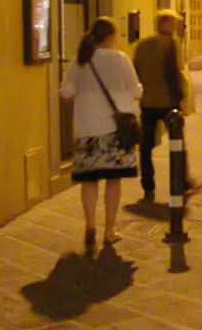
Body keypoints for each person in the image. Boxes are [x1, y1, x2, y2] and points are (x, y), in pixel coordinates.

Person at [60, 16, 143, 247]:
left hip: (87, 128)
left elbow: (66, 92)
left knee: (89, 181)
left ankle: (89, 226)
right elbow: (136, 90)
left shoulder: (80, 60)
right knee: (113, 181)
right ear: (111, 36)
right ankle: (109, 229)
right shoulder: (121, 59)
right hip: (115, 130)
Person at [132, 10, 187, 203]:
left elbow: (135, 71)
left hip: (147, 101)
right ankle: (181, 181)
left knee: (145, 147)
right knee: (178, 143)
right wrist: (180, 99)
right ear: (167, 24)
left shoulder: (142, 45)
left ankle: (148, 186)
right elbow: (174, 73)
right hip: (167, 102)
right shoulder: (172, 44)